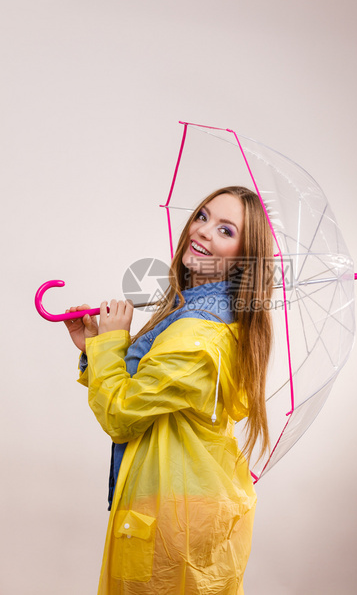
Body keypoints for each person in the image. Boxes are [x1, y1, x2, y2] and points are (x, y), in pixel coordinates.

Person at [65, 186, 274, 595]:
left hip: (174, 512)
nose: (203, 231)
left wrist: (111, 344)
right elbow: (151, 396)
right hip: (183, 499)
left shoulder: (197, 331)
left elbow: (122, 414)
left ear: (243, 261)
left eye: (226, 230)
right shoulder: (194, 312)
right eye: (203, 216)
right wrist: (97, 347)